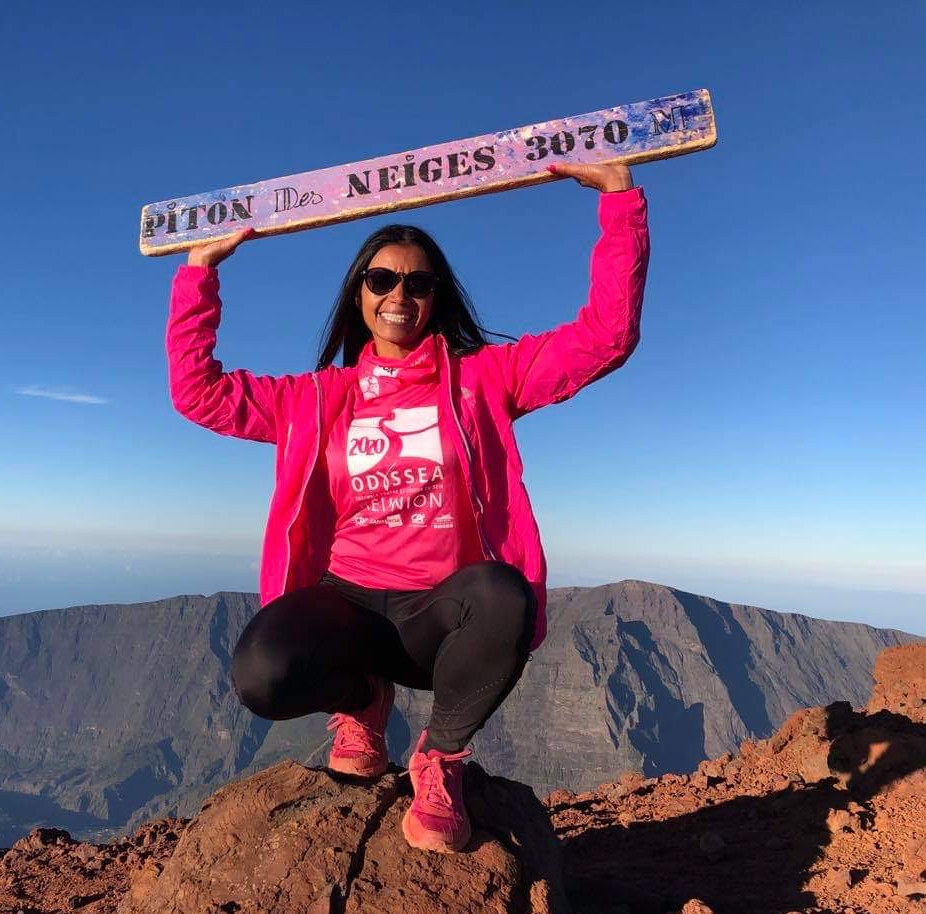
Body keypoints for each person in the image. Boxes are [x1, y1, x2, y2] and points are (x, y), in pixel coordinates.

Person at [165, 162, 649, 853]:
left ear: (436, 297)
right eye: (381, 278)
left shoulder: (484, 380)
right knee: (260, 674)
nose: (399, 293)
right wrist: (200, 270)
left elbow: (606, 335)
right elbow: (197, 391)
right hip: (348, 607)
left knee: (504, 595)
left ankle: (439, 759)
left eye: (418, 282)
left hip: (439, 617)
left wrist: (619, 200)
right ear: (359, 293)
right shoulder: (315, 399)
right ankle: (362, 699)